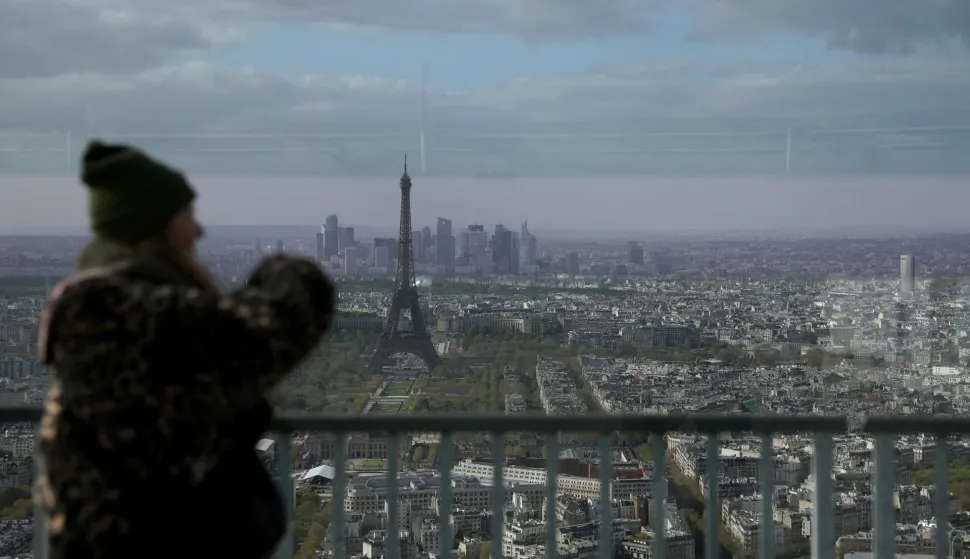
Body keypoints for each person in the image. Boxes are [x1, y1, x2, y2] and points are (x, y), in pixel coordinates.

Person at [35, 140, 337, 559]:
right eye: (186, 217)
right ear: (152, 229)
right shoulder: (114, 311)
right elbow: (278, 319)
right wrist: (286, 268)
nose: (198, 231)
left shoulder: (107, 306)